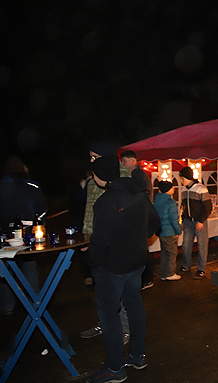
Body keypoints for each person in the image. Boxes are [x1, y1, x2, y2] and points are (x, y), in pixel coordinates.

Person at [86, 155, 160, 383]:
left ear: (99, 177)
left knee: (109, 316)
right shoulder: (138, 192)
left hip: (113, 267)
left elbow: (101, 241)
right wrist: (137, 239)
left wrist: (92, 262)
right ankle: (138, 356)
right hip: (136, 262)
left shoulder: (107, 202)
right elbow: (154, 223)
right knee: (134, 306)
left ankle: (115, 368)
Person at [80, 142, 132, 343]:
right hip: (96, 241)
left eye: (95, 156)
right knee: (101, 287)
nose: (91, 160)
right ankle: (103, 322)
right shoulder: (93, 180)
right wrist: (87, 236)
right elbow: (89, 210)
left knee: (120, 289)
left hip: (116, 243)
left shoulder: (122, 178)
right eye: (90, 156)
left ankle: (125, 328)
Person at [0, 156, 47, 314]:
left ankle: (7, 305)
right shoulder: (32, 185)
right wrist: (38, 224)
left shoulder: (0, 184)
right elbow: (42, 209)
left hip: (4, 234)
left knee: (4, 268)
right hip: (27, 233)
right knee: (29, 265)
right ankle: (34, 304)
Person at [120, 150, 155, 290]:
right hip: (140, 215)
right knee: (141, 249)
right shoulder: (138, 175)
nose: (122, 164)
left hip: (139, 216)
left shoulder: (138, 176)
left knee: (141, 250)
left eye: (124, 161)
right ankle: (144, 278)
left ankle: (146, 279)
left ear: (132, 161)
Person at [179, 166, 212, 279]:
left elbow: (207, 207)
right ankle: (186, 265)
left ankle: (201, 269)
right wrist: (183, 219)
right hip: (188, 222)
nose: (181, 181)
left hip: (199, 222)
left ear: (187, 177)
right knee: (186, 245)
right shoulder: (184, 190)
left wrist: (201, 221)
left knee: (202, 245)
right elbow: (183, 206)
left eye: (182, 178)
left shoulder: (201, 189)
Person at [154, 181, 182, 281]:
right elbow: (174, 219)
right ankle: (170, 273)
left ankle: (164, 274)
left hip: (161, 230)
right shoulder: (170, 202)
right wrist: (178, 231)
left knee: (164, 253)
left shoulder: (157, 201)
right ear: (168, 189)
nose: (173, 189)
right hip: (169, 231)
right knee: (172, 253)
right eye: (172, 187)